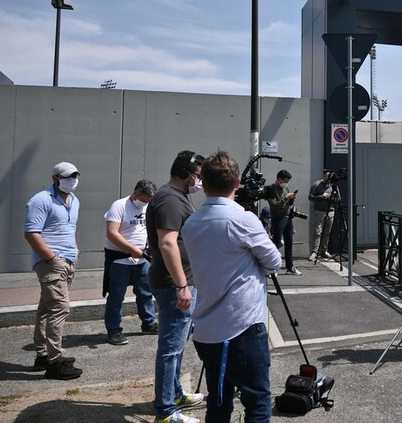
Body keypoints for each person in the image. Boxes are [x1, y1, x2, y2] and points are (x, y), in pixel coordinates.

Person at [183, 151, 282, 423]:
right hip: (242, 327)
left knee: (218, 400)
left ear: (203, 183)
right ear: (238, 182)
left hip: (206, 329)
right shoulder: (243, 219)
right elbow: (274, 262)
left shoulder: (191, 223)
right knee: (257, 402)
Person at [146, 150, 206, 423]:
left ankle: (174, 394)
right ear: (185, 173)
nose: (199, 181)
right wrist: (182, 285)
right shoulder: (169, 199)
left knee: (178, 346)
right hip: (174, 285)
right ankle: (166, 412)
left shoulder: (177, 197)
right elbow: (167, 242)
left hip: (182, 282)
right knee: (170, 349)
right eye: (198, 175)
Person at [24, 161, 83, 380]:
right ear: (55, 178)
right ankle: (55, 362)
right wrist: (51, 258)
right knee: (59, 309)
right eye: (67, 176)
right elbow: (31, 233)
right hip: (50, 263)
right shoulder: (41, 200)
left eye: (75, 176)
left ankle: (42, 356)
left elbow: (70, 228)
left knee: (46, 309)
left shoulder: (74, 200)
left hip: (68, 260)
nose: (72, 180)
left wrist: (75, 250)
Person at [103, 179, 159, 346]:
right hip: (119, 259)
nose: (145, 203)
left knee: (145, 293)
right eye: (143, 199)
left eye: (148, 201)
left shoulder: (148, 207)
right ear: (135, 193)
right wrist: (131, 249)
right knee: (116, 296)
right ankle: (114, 329)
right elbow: (112, 233)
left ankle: (148, 323)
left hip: (142, 258)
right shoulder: (119, 206)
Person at [265, 169, 302, 275]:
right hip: (278, 217)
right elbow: (273, 205)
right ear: (279, 179)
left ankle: (290, 267)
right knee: (276, 242)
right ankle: (271, 268)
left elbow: (288, 204)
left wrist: (292, 198)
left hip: (287, 217)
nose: (286, 183)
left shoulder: (286, 188)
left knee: (289, 242)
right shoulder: (272, 189)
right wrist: (286, 198)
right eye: (285, 181)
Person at [307, 170, 335, 261]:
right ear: (324, 176)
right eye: (327, 176)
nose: (328, 178)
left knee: (327, 233)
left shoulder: (333, 186)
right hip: (319, 211)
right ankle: (315, 252)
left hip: (330, 211)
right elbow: (310, 197)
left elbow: (338, 198)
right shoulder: (316, 184)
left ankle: (324, 251)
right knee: (317, 232)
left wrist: (331, 197)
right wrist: (321, 196)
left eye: (330, 177)